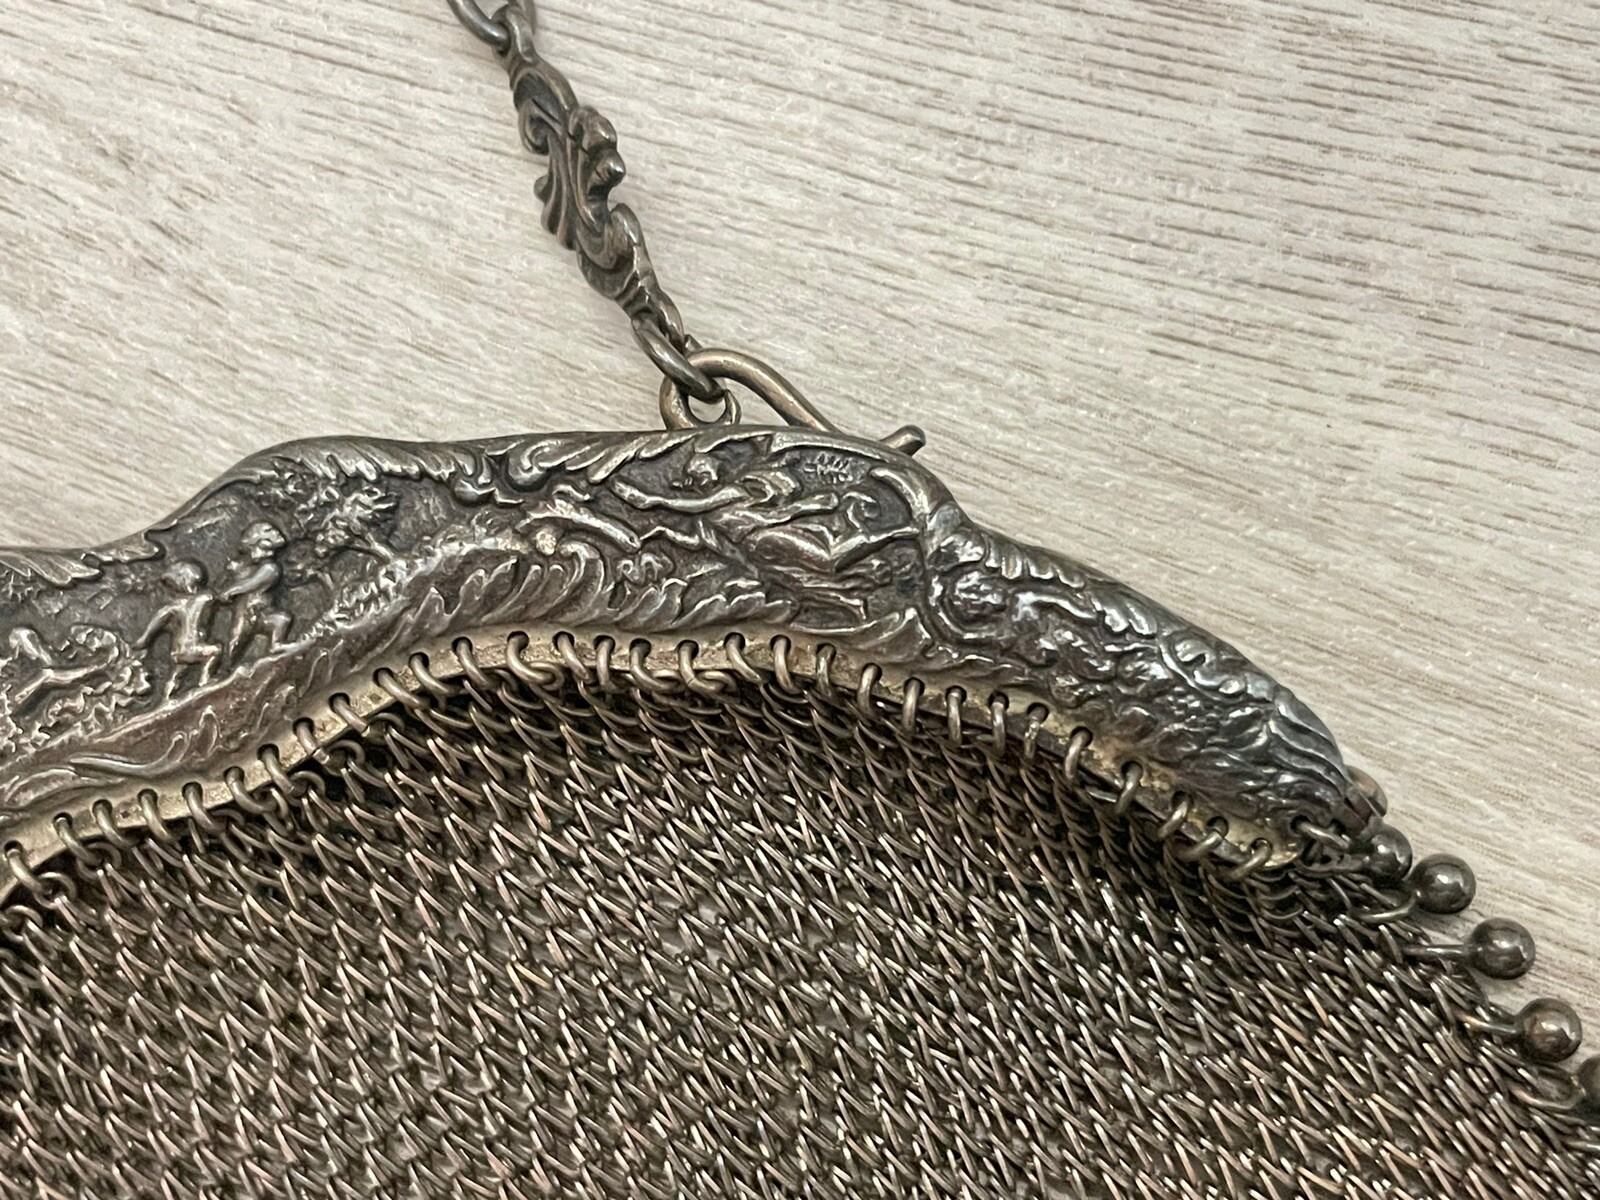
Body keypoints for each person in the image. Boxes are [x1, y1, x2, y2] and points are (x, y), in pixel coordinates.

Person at [134, 560, 222, 699]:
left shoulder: (173, 606)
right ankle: (204, 683)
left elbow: (155, 624)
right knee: (215, 651)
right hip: (193, 649)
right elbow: (219, 597)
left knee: (177, 673)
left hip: (178, 652)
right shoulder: (205, 597)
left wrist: (143, 640)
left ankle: (166, 697)